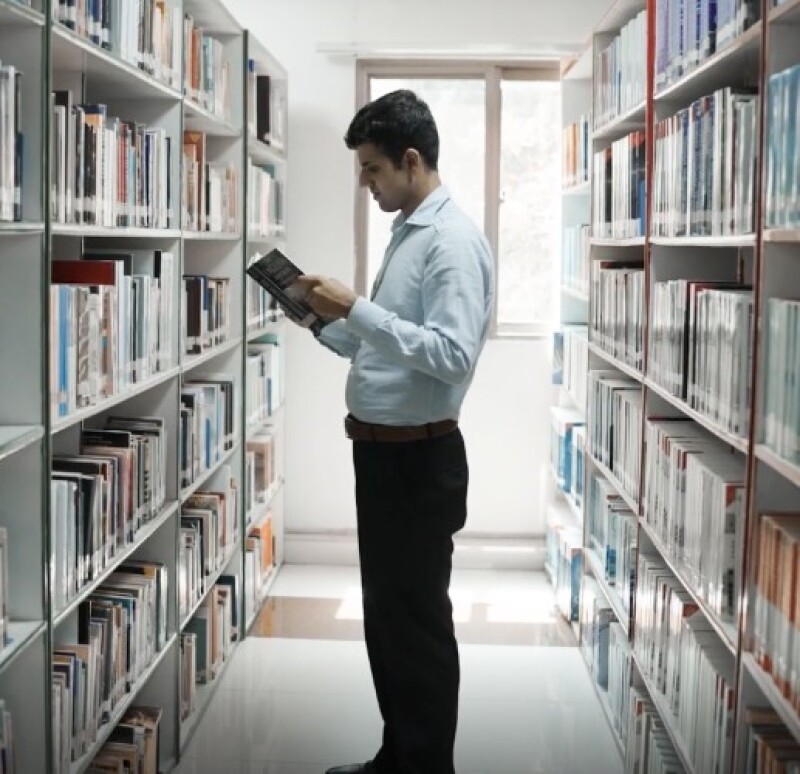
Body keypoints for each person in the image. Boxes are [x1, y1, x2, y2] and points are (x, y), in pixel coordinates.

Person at [293, 89, 495, 774]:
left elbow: (450, 353)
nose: (366, 183)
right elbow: (382, 349)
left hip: (418, 461)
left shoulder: (451, 242)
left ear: (412, 160)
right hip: (382, 459)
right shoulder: (408, 235)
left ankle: (425, 768)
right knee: (389, 622)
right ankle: (399, 757)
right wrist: (325, 321)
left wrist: (359, 307)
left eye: (373, 169)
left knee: (417, 628)